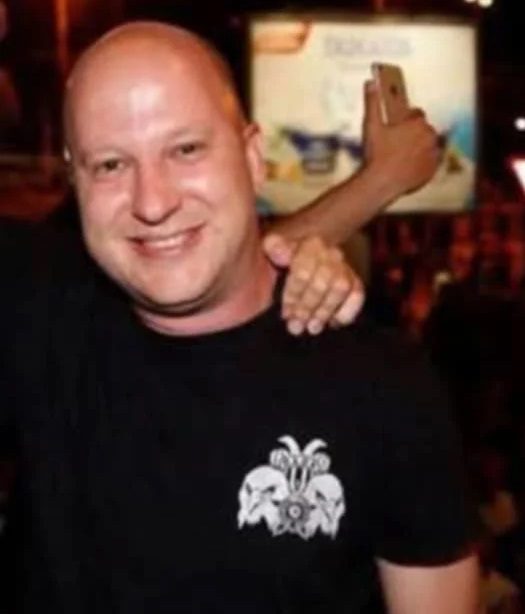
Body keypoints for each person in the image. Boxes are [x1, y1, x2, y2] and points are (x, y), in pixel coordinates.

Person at [0, 21, 478, 612]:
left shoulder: (381, 387)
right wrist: (376, 183)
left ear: (254, 158)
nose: (153, 202)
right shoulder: (37, 320)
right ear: (75, 181)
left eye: (186, 150)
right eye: (110, 165)